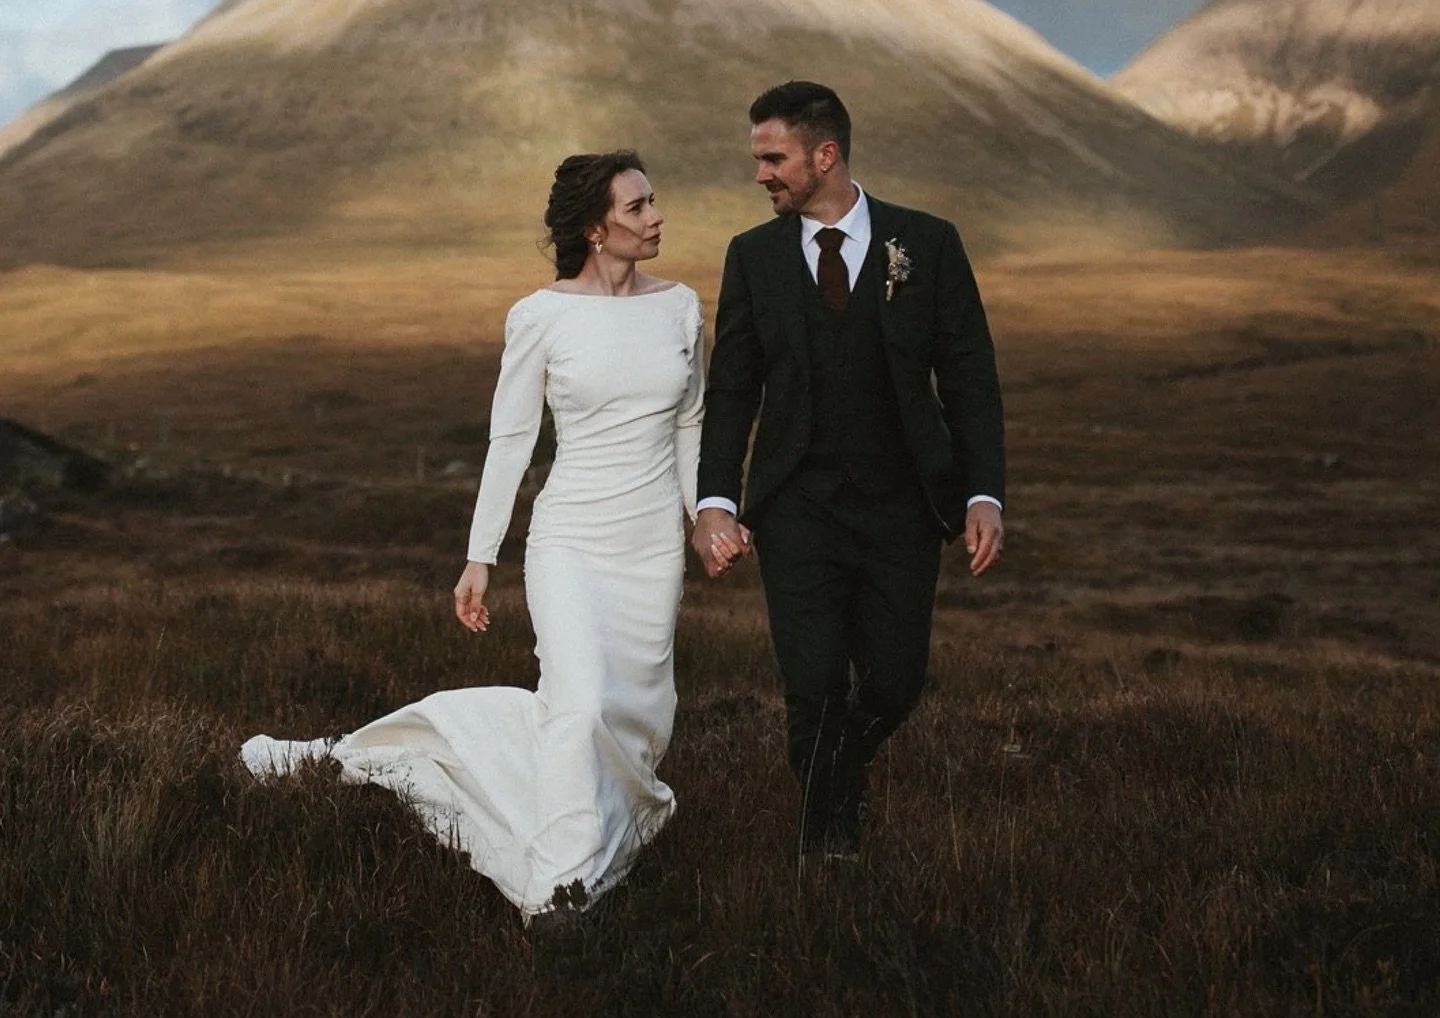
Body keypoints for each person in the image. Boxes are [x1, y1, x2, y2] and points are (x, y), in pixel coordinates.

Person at [241, 151, 735, 923]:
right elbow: (511, 443)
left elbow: (690, 423)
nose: (656, 217)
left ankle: (494, 774)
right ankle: (563, 890)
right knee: (577, 705)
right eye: (637, 208)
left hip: (649, 551)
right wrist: (481, 557)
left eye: (652, 202)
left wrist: (703, 515)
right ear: (594, 228)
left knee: (631, 718)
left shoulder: (680, 307)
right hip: (570, 540)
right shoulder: (540, 317)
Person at [691, 82, 1005, 863]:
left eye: (774, 158)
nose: (761, 174)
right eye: (757, 159)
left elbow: (969, 377)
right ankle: (826, 847)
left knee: (896, 681)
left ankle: (836, 784)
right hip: (796, 507)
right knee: (813, 683)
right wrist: (715, 502)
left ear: (824, 155)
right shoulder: (753, 257)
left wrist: (983, 491)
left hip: (904, 507)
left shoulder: (925, 244)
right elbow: (732, 388)